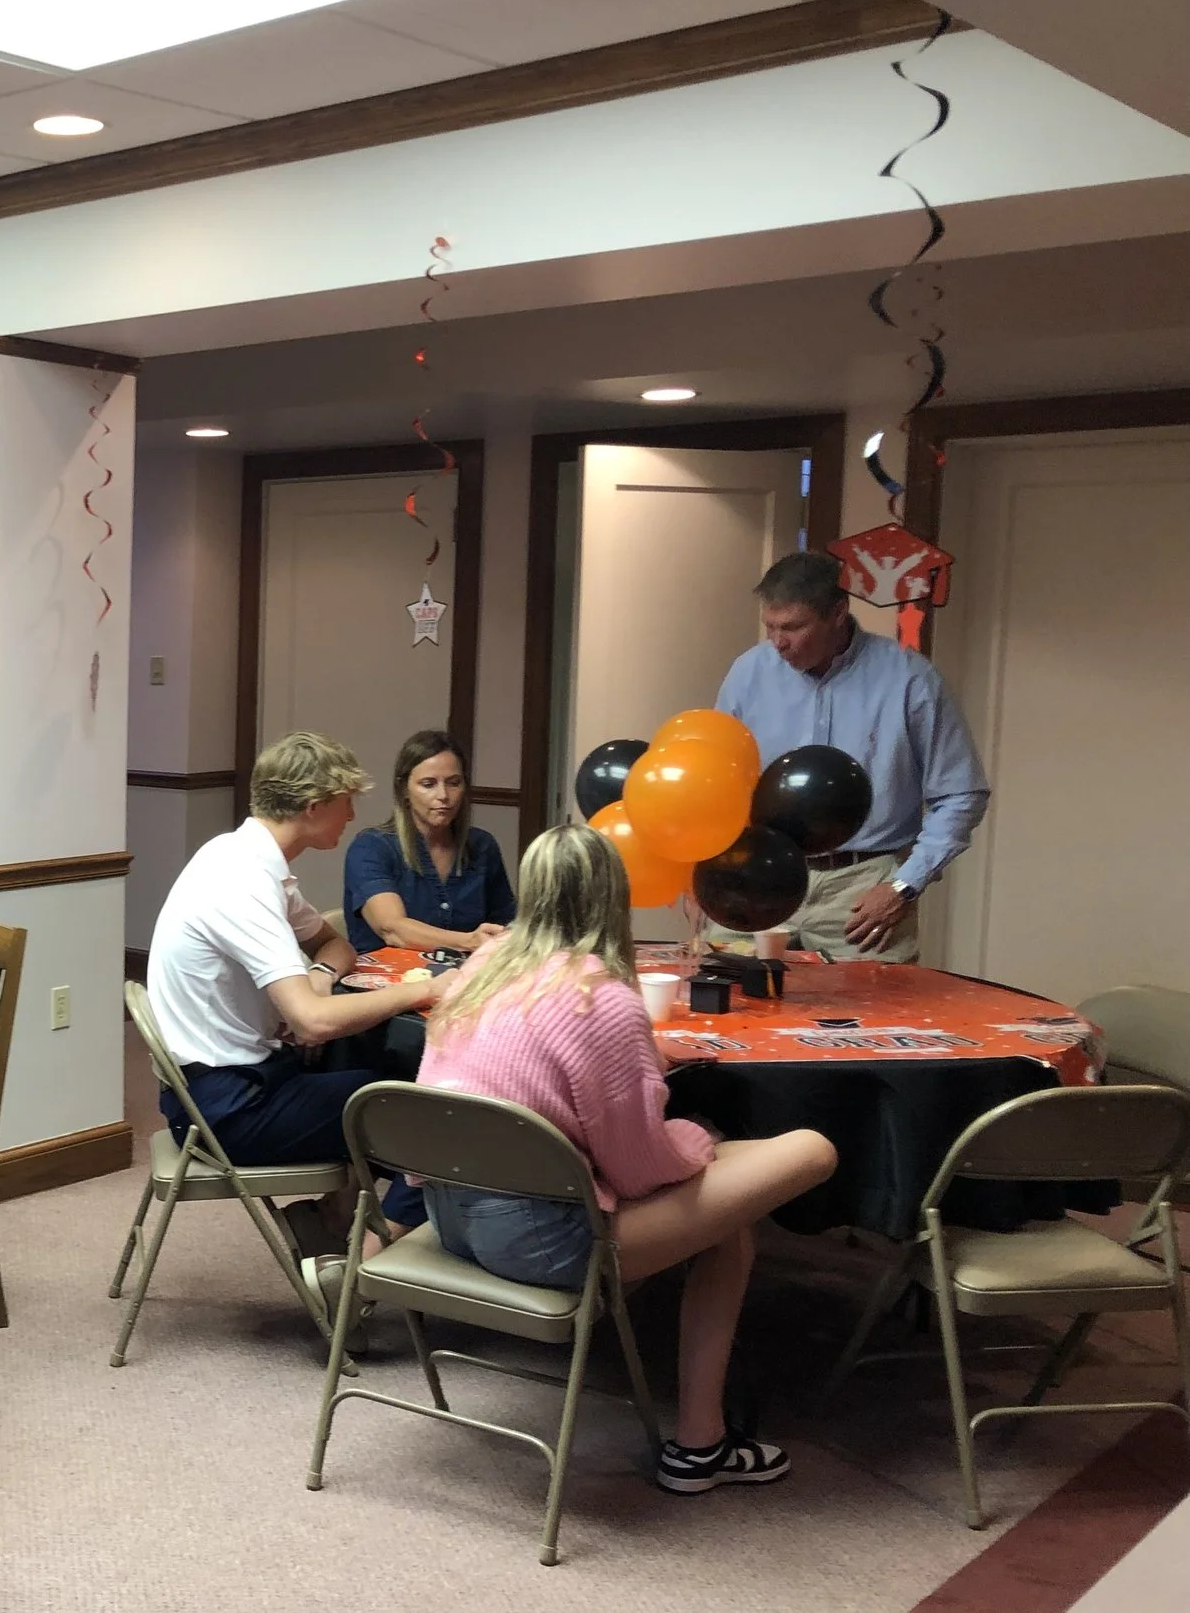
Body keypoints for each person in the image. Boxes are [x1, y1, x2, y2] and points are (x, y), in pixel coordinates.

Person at [417, 822, 838, 1493]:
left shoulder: (477, 971)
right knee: (809, 1150)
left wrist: (642, 1078)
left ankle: (701, 1441)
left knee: (724, 1209)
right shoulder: (603, 999)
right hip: (541, 1241)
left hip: (449, 1214)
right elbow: (642, 1168)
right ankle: (700, 1444)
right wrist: (701, 1138)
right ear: (613, 897)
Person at [146, 731, 444, 1265]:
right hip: (226, 1107)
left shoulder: (243, 856)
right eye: (346, 800)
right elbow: (311, 1024)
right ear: (314, 808)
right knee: (419, 1108)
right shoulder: (241, 883)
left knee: (380, 1065)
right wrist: (428, 989)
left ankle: (330, 1221)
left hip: (239, 1077)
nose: (352, 813)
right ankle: (360, 1270)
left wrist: (323, 975)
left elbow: (334, 944)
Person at [715, 551, 988, 961]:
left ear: (838, 614)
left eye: (793, 627)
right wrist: (700, 871)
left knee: (869, 1020)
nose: (779, 643)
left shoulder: (909, 679)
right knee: (728, 1007)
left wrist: (904, 885)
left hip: (860, 887)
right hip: (758, 871)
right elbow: (716, 778)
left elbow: (961, 793)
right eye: (770, 627)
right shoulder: (748, 672)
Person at [342, 729, 515, 954]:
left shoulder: (482, 846)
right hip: (386, 984)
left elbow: (507, 923)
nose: (443, 795)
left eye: (454, 783)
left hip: (464, 982)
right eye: (428, 784)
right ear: (404, 789)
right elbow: (393, 929)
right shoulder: (371, 847)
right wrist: (470, 941)